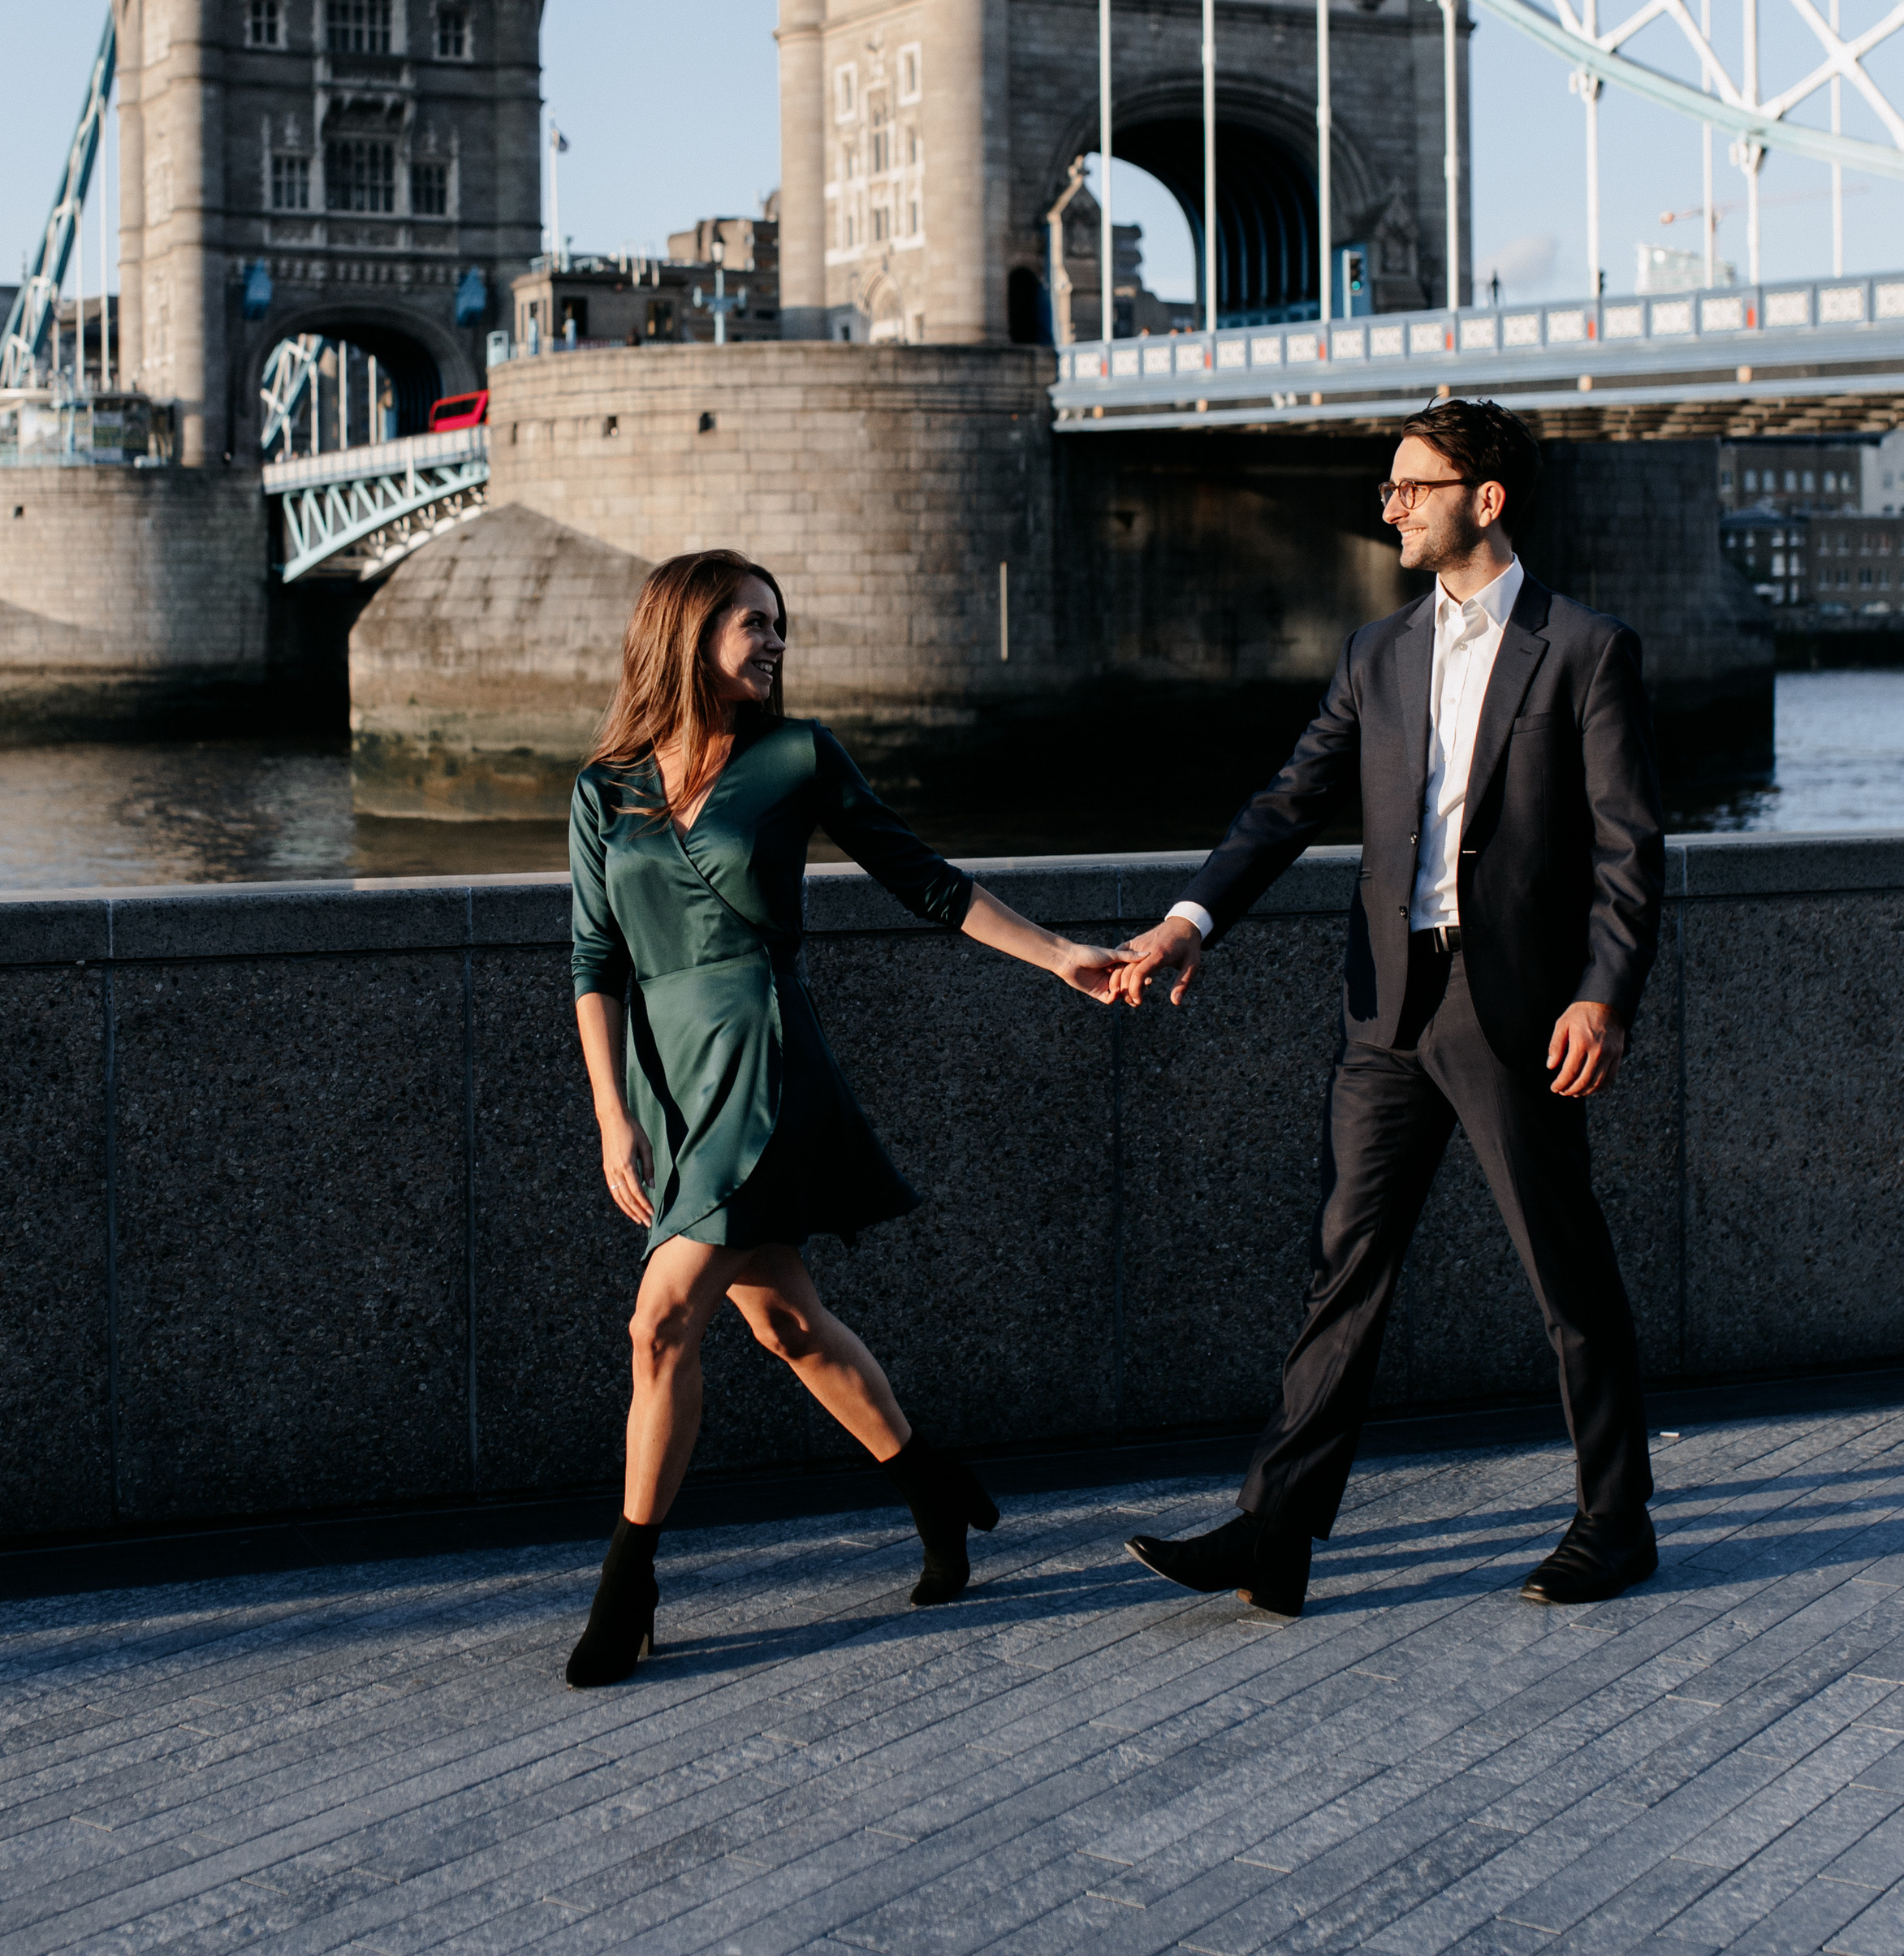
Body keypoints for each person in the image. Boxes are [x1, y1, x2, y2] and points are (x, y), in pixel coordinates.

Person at [1113, 398, 1663, 1617]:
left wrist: (1603, 994)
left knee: (1564, 1270)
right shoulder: (1378, 652)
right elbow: (1285, 805)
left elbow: (1631, 849)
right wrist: (1187, 919)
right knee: (1345, 1266)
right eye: (1390, 488)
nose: (1391, 506)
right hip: (1386, 1005)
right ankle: (1278, 1529)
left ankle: (1617, 1521)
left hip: (1512, 1003)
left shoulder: (1583, 647)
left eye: (1412, 486)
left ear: (1486, 500)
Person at [564, 546, 1119, 1687]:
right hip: (670, 1082)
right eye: (749, 624)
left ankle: (628, 1586)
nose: (772, 642)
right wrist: (614, 1118)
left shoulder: (796, 758)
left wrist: (1061, 954)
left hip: (765, 1062)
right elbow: (593, 960)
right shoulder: (602, 788)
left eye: (778, 624)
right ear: (683, 631)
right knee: (787, 1325)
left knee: (659, 1323)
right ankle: (937, 1491)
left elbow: (927, 882)